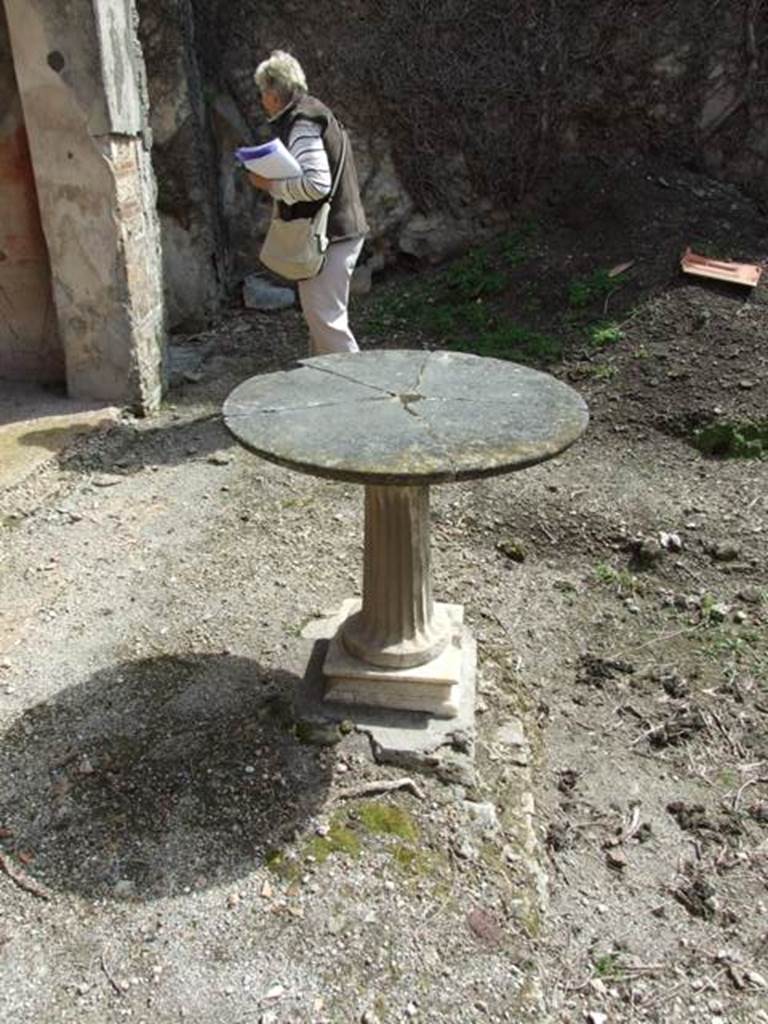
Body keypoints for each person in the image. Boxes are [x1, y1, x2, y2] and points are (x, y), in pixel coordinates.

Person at [249, 51, 368, 356]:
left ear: (274, 94)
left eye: (263, 92)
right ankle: (323, 391)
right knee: (321, 320)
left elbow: (316, 185)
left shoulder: (303, 123)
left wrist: (271, 184)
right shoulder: (312, 112)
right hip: (335, 233)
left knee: (327, 322)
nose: (262, 100)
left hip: (330, 235)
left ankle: (363, 395)